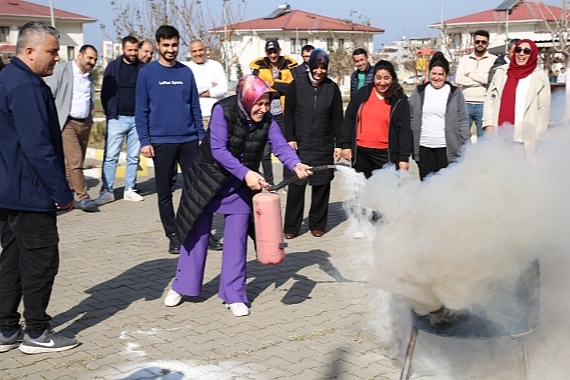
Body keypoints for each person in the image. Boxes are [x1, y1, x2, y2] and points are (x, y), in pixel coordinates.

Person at [164, 75, 312, 316]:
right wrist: (247, 174)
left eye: (267, 104)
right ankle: (182, 286)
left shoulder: (267, 119)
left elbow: (281, 146)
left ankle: (234, 294)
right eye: (259, 103)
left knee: (237, 241)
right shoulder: (223, 110)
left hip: (239, 186)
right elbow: (219, 150)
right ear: (246, 98)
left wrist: (295, 165)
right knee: (196, 235)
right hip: (207, 179)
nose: (263, 109)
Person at [0, 21, 79, 354]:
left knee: (13, 260)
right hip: (30, 192)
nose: (57, 58)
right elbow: (38, 146)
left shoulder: (8, 77)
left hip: (9, 188)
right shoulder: (25, 86)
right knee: (41, 261)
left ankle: (5, 330)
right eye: (52, 51)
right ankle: (36, 331)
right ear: (29, 51)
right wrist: (62, 192)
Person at [135, 25, 205, 255]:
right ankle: (173, 234)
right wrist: (145, 140)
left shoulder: (186, 72)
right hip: (161, 141)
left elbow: (194, 106)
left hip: (188, 140)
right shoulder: (147, 73)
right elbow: (141, 110)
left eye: (174, 45)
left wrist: (200, 136)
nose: (171, 49)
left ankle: (199, 230)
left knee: (196, 188)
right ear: (157, 45)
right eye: (166, 45)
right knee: (164, 191)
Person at [283, 49, 343, 239]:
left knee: (321, 185)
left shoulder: (332, 88)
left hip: (323, 143)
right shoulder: (296, 85)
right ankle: (291, 226)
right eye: (316, 67)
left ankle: (317, 224)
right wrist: (290, 138)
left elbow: (337, 119)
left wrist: (339, 144)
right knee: (296, 185)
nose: (319, 71)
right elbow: (289, 115)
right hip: (299, 144)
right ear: (310, 66)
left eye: (322, 67)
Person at [46, 44, 99, 212]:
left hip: (84, 123)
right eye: (90, 58)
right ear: (80, 55)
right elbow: (49, 94)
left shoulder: (88, 76)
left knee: (75, 163)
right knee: (75, 160)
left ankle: (66, 196)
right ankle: (83, 197)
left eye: (95, 60)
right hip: (66, 122)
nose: (92, 62)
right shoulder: (62, 70)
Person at [96, 36, 145, 205]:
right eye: (129, 50)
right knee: (111, 157)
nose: (132, 53)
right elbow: (105, 92)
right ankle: (107, 190)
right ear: (123, 49)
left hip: (137, 119)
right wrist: (110, 111)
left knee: (133, 157)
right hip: (117, 118)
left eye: (134, 50)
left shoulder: (143, 69)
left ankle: (129, 189)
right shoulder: (113, 67)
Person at [341, 60, 412, 178]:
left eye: (386, 78)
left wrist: (404, 158)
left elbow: (404, 130)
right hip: (361, 153)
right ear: (373, 77)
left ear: (392, 78)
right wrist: (345, 145)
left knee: (386, 193)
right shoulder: (362, 94)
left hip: (386, 154)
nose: (382, 82)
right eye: (378, 78)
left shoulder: (400, 100)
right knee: (363, 191)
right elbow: (349, 120)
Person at [483, 39, 551, 158]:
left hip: (523, 136)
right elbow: (490, 99)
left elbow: (543, 108)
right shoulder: (501, 72)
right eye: (518, 50)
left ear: (533, 54)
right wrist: (488, 124)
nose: (521, 54)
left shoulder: (539, 76)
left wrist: (539, 136)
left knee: (519, 172)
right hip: (499, 133)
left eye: (527, 51)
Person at [409, 52, 471, 180]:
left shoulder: (455, 94)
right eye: (434, 74)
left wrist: (467, 144)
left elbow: (463, 120)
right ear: (429, 73)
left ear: (446, 75)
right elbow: (409, 118)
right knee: (426, 185)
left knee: (445, 186)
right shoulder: (419, 92)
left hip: (447, 148)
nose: (437, 78)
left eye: (440, 74)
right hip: (424, 146)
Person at [249, 39, 298, 187]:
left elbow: (293, 89)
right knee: (264, 152)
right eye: (270, 52)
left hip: (283, 114)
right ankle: (269, 182)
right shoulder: (259, 67)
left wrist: (272, 85)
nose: (272, 55)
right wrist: (279, 90)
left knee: (286, 148)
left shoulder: (290, 66)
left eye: (274, 51)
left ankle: (286, 181)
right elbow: (257, 88)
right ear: (266, 53)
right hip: (265, 114)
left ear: (279, 51)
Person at [455, 30, 497, 138]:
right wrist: (481, 81)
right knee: (461, 137)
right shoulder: (465, 59)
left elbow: (491, 80)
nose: (480, 44)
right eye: (477, 41)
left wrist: (470, 75)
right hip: (465, 103)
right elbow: (459, 79)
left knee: (483, 139)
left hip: (484, 104)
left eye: (483, 42)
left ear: (488, 44)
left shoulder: (494, 60)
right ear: (473, 42)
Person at [184, 39, 228, 129]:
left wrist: (197, 93)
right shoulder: (186, 68)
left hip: (215, 115)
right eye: (194, 51)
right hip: (195, 116)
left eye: (200, 50)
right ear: (190, 53)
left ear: (205, 50)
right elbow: (186, 91)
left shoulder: (216, 66)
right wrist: (211, 85)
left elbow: (224, 89)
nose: (198, 53)